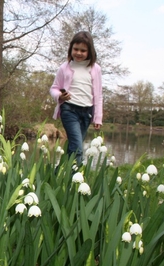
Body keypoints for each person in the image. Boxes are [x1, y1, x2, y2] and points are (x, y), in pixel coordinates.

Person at [50, 31, 103, 166]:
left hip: (87, 112)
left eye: (83, 50)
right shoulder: (65, 67)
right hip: (69, 109)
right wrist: (60, 96)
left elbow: (98, 94)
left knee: (73, 147)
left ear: (89, 51)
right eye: (76, 49)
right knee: (78, 148)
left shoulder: (95, 69)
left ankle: (61, 177)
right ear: (71, 48)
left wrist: (98, 117)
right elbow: (54, 88)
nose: (78, 53)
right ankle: (75, 179)